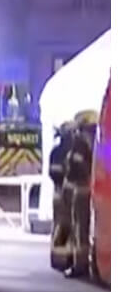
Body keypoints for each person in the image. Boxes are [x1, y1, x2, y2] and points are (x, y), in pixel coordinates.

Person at [61, 110, 99, 278]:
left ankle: (81, 265)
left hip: (81, 190)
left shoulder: (79, 144)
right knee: (96, 229)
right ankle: (96, 264)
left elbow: (73, 169)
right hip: (98, 190)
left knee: (80, 229)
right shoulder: (101, 143)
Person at [48, 120, 76, 271]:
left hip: (61, 191)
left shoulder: (58, 151)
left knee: (63, 225)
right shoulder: (63, 152)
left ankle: (62, 258)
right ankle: (61, 258)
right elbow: (55, 172)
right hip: (62, 192)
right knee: (63, 224)